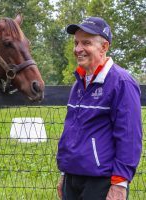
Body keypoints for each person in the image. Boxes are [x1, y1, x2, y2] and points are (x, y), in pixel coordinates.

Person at [56, 17, 142, 200]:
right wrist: (64, 174)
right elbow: (71, 131)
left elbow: (129, 136)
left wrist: (120, 183)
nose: (78, 49)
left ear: (104, 47)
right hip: (72, 177)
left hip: (101, 181)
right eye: (76, 43)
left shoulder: (122, 82)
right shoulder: (78, 83)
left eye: (86, 42)